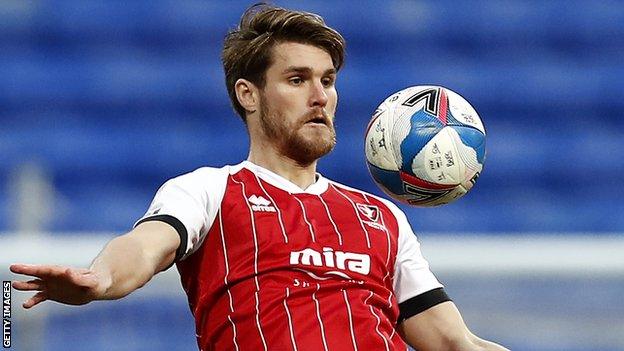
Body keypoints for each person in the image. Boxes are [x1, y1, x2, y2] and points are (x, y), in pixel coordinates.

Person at [11, 4, 509, 351]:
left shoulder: (382, 218)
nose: (321, 96)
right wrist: (101, 280)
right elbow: (145, 246)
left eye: (328, 80)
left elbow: (452, 341)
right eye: (298, 80)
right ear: (249, 94)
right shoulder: (209, 190)